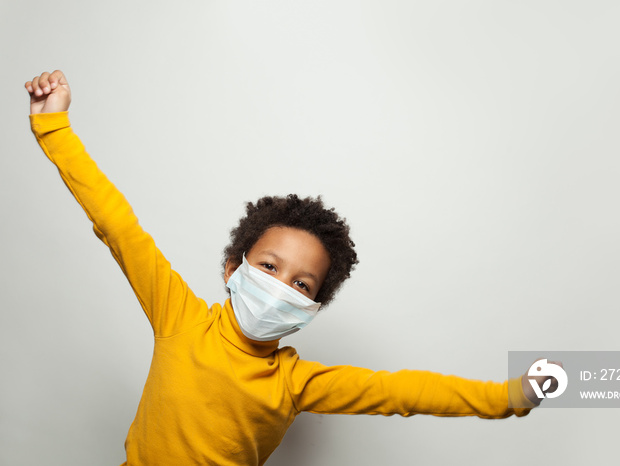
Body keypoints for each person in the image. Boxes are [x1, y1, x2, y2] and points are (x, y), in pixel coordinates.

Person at [26, 70, 552, 466]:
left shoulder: (296, 382)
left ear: (312, 308)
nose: (281, 287)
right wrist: (55, 127)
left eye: (301, 283)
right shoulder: (181, 318)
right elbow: (117, 225)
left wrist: (509, 396)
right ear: (234, 268)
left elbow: (403, 392)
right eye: (270, 266)